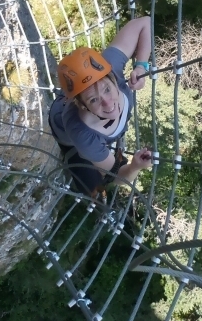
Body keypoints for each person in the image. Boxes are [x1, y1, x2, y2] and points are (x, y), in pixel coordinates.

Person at [48, 16, 153, 197]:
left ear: (113, 78)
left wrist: (141, 66)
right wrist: (135, 167)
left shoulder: (109, 69)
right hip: (65, 131)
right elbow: (117, 177)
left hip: (84, 114)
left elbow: (144, 22)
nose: (108, 102)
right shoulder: (82, 133)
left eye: (106, 89)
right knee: (94, 188)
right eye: (93, 100)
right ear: (81, 105)